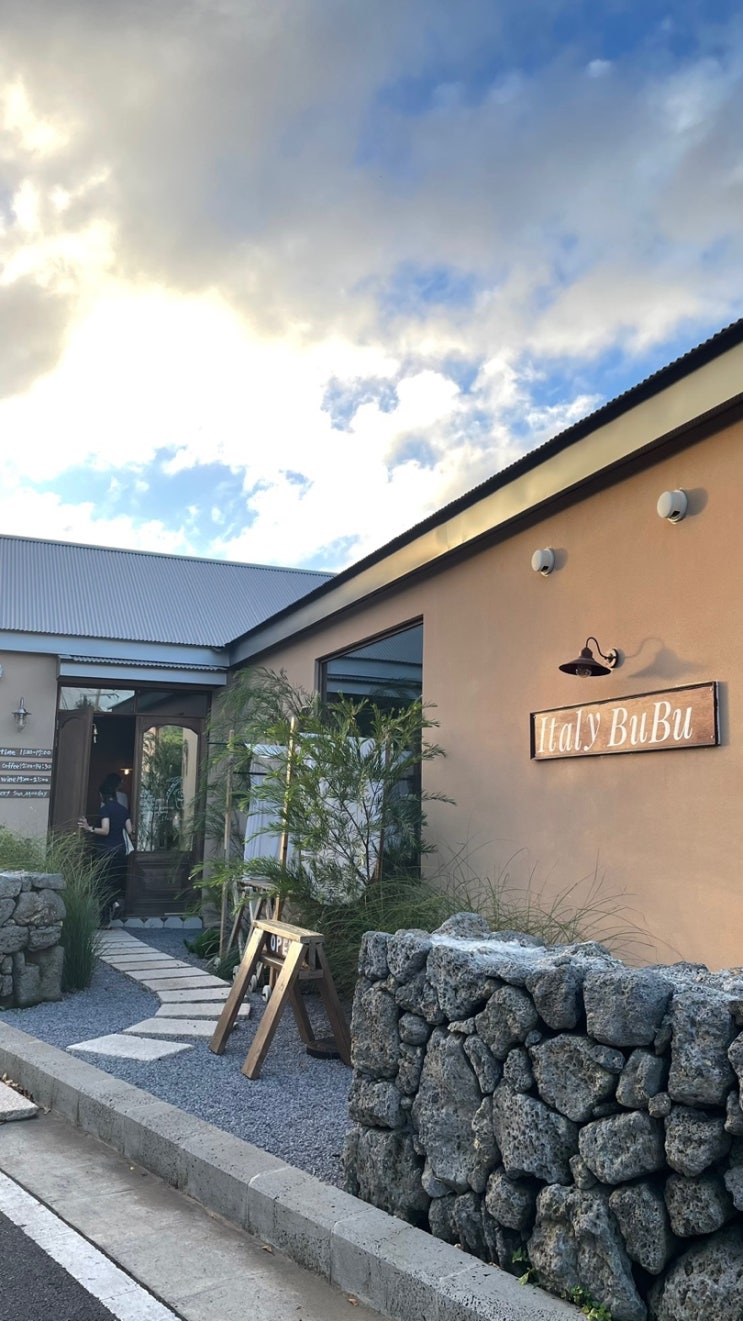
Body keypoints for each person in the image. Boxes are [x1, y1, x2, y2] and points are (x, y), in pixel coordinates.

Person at [78, 785, 133, 922]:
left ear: (102, 796)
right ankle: (114, 903)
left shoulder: (105, 809)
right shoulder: (123, 810)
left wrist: (89, 828)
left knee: (102, 883)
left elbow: (105, 830)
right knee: (113, 882)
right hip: (120, 852)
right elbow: (130, 830)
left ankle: (106, 918)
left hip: (106, 852)